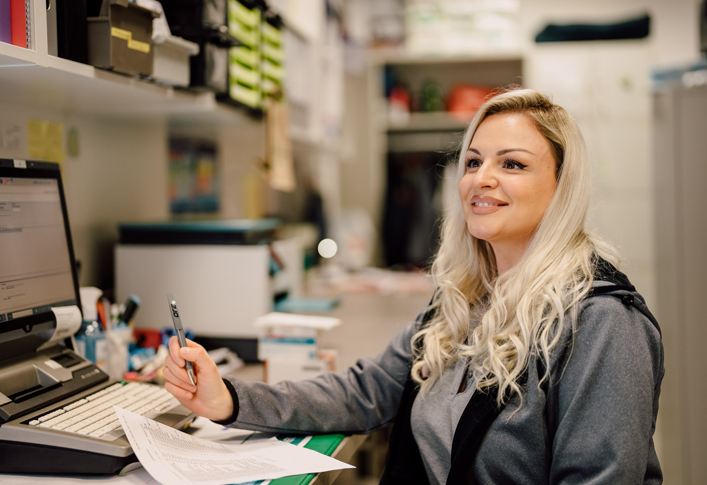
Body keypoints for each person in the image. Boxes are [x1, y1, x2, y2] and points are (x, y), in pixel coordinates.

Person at [163, 89, 664, 484]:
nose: (481, 179)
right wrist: (229, 399)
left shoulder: (602, 324)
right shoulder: (467, 299)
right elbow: (367, 391)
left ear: (562, 186)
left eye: (511, 164)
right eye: (473, 162)